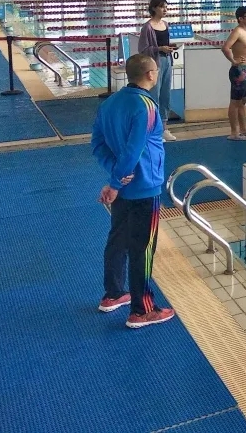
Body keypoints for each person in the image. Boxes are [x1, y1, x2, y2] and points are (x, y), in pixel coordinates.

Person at [93, 54, 175, 329]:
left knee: (118, 239)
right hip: (144, 187)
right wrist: (117, 181)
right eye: (156, 70)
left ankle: (113, 294)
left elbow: (97, 145)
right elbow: (134, 149)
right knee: (143, 248)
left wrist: (115, 175)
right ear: (150, 74)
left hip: (124, 187)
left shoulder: (109, 103)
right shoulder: (146, 106)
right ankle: (142, 310)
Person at [137, 0, 178, 141]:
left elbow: (166, 42)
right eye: (162, 7)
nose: (165, 10)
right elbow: (143, 49)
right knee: (154, 96)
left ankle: (164, 129)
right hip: (154, 63)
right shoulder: (147, 27)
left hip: (167, 61)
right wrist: (159, 48)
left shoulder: (165, 24)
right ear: (154, 8)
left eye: (166, 7)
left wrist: (169, 48)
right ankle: (153, 131)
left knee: (166, 96)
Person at [222, 6, 246, 140]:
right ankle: (234, 133)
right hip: (239, 71)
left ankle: (243, 128)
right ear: (240, 18)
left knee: (243, 101)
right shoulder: (237, 31)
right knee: (235, 102)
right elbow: (225, 48)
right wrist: (233, 61)